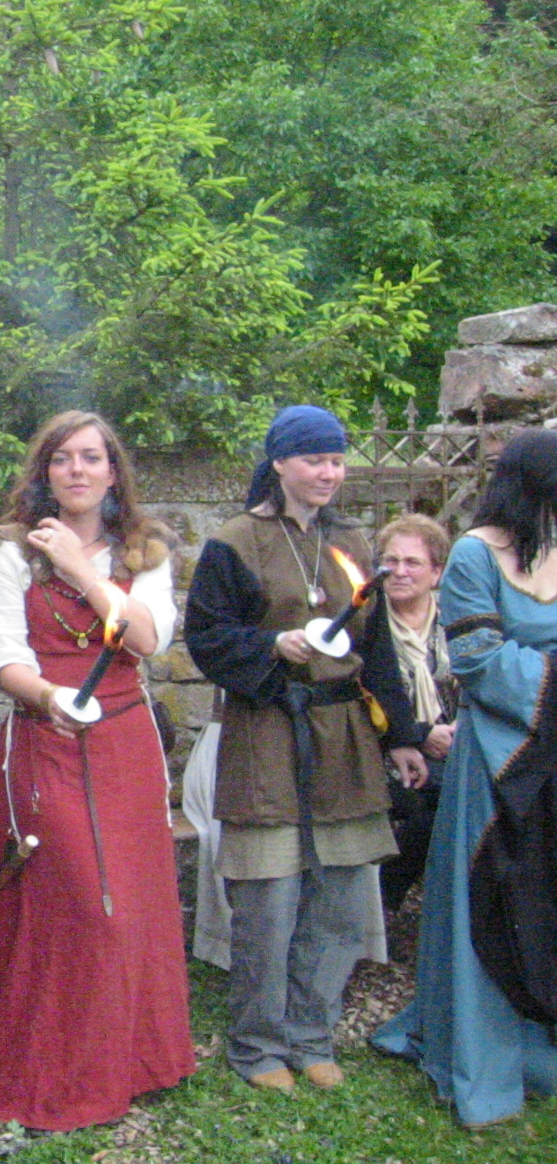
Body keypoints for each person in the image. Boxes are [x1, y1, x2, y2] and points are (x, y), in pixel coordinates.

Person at [0, 410, 195, 1130]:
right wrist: (48, 697)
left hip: (126, 742)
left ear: (113, 471)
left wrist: (80, 568)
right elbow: (1, 655)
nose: (77, 470)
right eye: (62, 458)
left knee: (129, 901)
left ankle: (133, 1061)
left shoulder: (144, 550)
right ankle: (54, 1067)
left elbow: (146, 639)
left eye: (91, 457)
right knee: (77, 901)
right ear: (45, 472)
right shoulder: (11, 551)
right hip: (46, 737)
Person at [186, 405, 427, 1094]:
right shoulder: (235, 541)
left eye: (338, 460)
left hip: (344, 736)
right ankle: (258, 1043)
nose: (330, 472)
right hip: (267, 729)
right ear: (281, 463)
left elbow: (377, 648)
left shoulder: (350, 542)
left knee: (340, 896)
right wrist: (271, 646)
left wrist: (401, 736)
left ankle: (311, 1033)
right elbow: (206, 638)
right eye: (316, 459)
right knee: (269, 899)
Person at [372, 431, 557, 1126]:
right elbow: (479, 658)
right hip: (497, 759)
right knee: (488, 896)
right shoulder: (476, 555)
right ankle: (483, 1049)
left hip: (553, 754)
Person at [374, 513, 455, 910]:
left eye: (413, 562)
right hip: (383, 754)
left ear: (436, 573)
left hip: (455, 745)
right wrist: (420, 734)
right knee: (439, 805)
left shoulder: (455, 622)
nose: (400, 571)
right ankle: (385, 897)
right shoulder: (367, 626)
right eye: (391, 561)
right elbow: (363, 700)